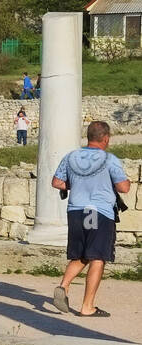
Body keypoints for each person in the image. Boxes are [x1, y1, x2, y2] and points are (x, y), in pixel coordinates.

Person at [50, 121, 131, 318]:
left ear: (88, 137)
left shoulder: (71, 157)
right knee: (97, 256)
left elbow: (57, 182)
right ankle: (87, 306)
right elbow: (123, 188)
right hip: (97, 212)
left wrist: (78, 184)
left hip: (77, 211)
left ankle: (64, 286)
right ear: (106, 138)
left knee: (83, 253)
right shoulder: (108, 159)